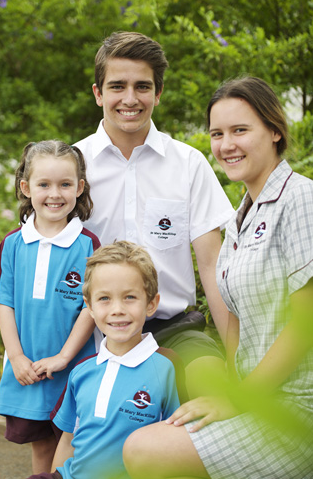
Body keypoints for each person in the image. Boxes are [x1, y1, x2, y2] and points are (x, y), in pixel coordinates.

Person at [122, 76, 313, 479]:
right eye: (217, 133)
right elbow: (238, 320)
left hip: (296, 406)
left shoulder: (301, 199)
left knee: (147, 449)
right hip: (256, 394)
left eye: (240, 130)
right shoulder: (241, 218)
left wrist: (239, 399)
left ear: (275, 130)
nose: (226, 145)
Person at [74, 31, 235, 397]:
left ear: (158, 93)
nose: (130, 99)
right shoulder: (71, 167)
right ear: (98, 93)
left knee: (215, 391)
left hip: (173, 331)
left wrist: (235, 356)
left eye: (142, 87)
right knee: (76, 444)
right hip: (87, 334)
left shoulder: (189, 165)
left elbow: (212, 267)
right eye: (117, 86)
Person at [0, 140, 101, 474]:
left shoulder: (87, 244)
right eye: (44, 184)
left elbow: (92, 307)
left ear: (79, 187)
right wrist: (17, 358)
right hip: (28, 371)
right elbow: (4, 302)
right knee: (41, 446)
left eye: (65, 184)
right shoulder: (13, 244)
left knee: (72, 445)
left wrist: (64, 357)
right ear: (25, 187)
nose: (55, 194)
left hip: (74, 368)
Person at [27, 240, 185, 479]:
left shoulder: (166, 367)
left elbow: (179, 443)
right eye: (104, 299)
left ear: (151, 304)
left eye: (130, 297)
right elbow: (69, 439)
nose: (117, 309)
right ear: (89, 307)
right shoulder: (82, 371)